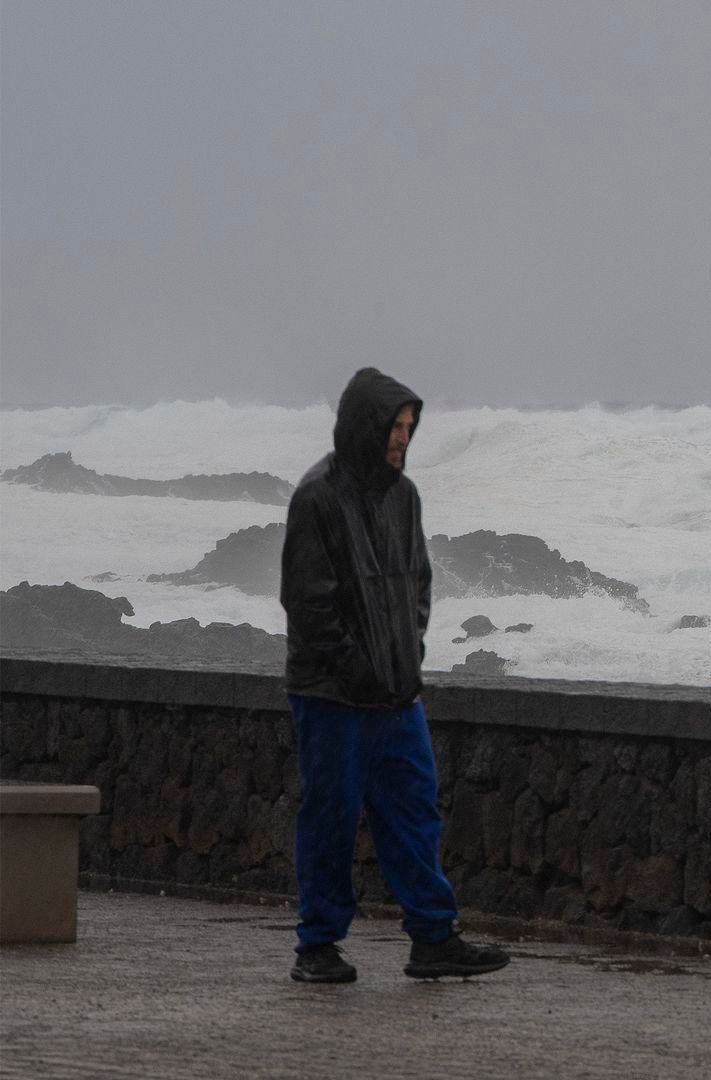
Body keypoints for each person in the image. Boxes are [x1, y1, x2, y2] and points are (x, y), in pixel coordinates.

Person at [279, 367, 509, 984]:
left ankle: (433, 937)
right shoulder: (319, 495)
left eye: (409, 427)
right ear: (366, 425)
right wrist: (358, 670)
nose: (403, 437)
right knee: (331, 816)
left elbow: (419, 583)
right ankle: (317, 946)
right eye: (394, 426)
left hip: (397, 695)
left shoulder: (404, 496)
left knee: (414, 813)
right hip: (333, 697)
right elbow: (309, 605)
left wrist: (409, 651)